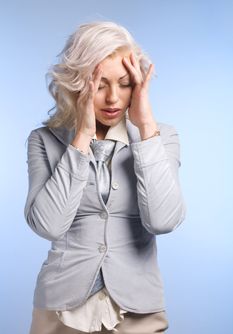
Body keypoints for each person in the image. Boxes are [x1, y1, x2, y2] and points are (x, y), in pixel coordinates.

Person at [24, 21, 186, 334]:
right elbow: (48, 225)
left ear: (138, 84)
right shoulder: (43, 141)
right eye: (99, 85)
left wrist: (146, 128)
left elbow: (163, 221)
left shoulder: (161, 136)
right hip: (60, 311)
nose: (113, 98)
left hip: (138, 309)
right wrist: (81, 138)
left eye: (125, 84)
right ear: (76, 83)